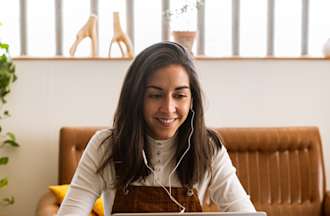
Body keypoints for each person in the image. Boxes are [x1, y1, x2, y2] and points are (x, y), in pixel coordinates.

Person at [58, 42, 256, 215]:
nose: (168, 109)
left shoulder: (209, 147)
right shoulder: (106, 146)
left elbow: (245, 213)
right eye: (155, 95)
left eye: (179, 96)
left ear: (192, 100)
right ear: (136, 98)